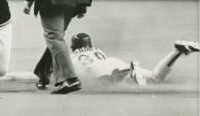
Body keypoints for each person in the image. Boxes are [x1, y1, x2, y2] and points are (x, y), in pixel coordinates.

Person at [69, 33, 200, 86]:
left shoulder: (71, 56)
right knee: (155, 77)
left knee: (105, 80)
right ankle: (177, 51)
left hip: (94, 70)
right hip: (112, 62)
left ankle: (125, 74)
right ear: (90, 45)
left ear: (72, 47)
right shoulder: (97, 51)